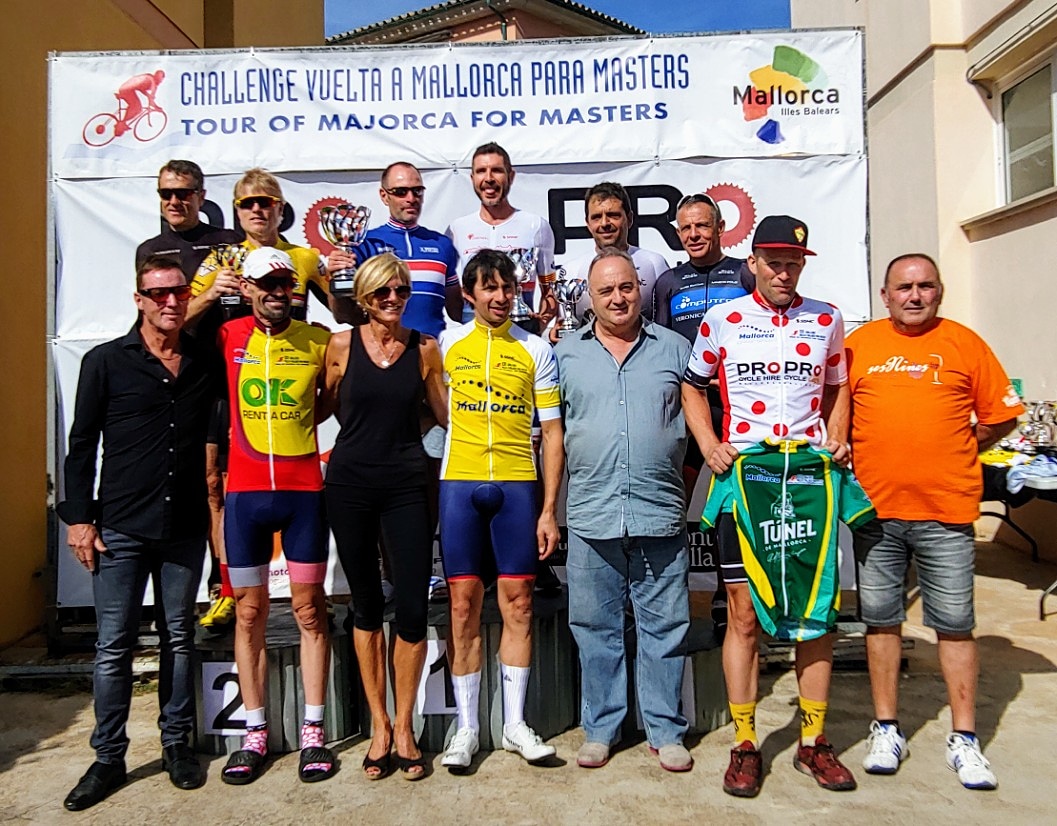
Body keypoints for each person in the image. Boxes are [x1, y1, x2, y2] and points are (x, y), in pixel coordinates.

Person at [682, 215, 856, 796]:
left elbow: (839, 386)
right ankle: (745, 744)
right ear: (753, 262)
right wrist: (709, 442)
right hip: (747, 482)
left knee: (815, 613)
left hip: (806, 483)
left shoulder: (827, 318)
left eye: (794, 263)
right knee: (743, 614)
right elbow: (692, 384)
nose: (784, 272)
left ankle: (813, 742)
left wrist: (837, 437)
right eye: (774, 262)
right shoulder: (723, 319)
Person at [846, 253, 1023, 791]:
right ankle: (886, 728)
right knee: (881, 622)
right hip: (875, 511)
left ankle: (964, 738)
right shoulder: (859, 346)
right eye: (904, 288)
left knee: (954, 624)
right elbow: (837, 416)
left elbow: (1001, 416)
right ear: (885, 295)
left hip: (947, 512)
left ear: (939, 291)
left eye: (925, 286)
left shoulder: (965, 344)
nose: (915, 296)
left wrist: (958, 445)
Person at [58, 255, 219, 810]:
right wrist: (79, 519)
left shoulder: (204, 360)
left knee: (179, 637)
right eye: (158, 293)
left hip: (183, 526)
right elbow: (81, 445)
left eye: (179, 292)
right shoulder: (105, 361)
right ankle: (108, 757)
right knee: (113, 646)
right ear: (139, 300)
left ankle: (176, 746)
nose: (170, 301)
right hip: (120, 527)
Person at [555, 248, 692, 772]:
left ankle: (665, 730)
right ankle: (601, 728)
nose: (618, 298)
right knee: (595, 629)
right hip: (592, 513)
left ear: (641, 289)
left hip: (659, 511)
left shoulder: (675, 349)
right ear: (590, 298)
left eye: (627, 287)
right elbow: (551, 434)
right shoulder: (565, 355)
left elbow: (698, 425)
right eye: (606, 290)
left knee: (666, 627)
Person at [437, 249, 564, 770]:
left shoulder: (536, 348)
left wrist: (549, 509)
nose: (500, 297)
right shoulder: (446, 343)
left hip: (516, 485)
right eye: (488, 287)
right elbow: (430, 403)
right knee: (462, 606)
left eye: (507, 287)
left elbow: (552, 433)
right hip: (460, 483)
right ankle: (466, 728)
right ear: (468, 294)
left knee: (519, 604)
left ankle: (514, 724)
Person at [322, 254, 448, 781]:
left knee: (413, 608)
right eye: (381, 293)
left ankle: (405, 727)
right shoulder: (339, 346)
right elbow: (323, 408)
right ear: (363, 299)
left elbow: (445, 415)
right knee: (367, 606)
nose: (393, 299)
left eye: (400, 291)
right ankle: (379, 725)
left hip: (407, 486)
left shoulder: (425, 348)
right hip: (349, 485)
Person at [217, 246, 335, 785]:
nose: (276, 293)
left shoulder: (318, 340)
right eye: (265, 284)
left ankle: (314, 731)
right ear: (247, 287)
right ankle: (255, 732)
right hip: (244, 495)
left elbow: (335, 397)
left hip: (302, 491)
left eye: (284, 283)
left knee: (310, 611)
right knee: (249, 614)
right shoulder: (228, 336)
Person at [136, 159, 240, 635]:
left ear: (201, 195)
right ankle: (216, 589)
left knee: (236, 486)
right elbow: (165, 319)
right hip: (186, 380)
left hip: (235, 374)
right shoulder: (151, 250)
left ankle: (239, 585)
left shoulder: (227, 242)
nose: (174, 201)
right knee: (207, 484)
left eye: (183, 193)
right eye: (166, 194)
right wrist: (209, 295)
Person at [654, 192, 755, 641]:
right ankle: (670, 595)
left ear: (720, 229)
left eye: (702, 225)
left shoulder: (744, 273)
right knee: (675, 507)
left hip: (734, 411)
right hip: (689, 412)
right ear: (678, 233)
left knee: (736, 509)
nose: (694, 234)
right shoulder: (668, 283)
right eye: (686, 228)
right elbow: (659, 345)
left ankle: (730, 598)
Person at [328, 162, 461, 337]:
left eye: (417, 191)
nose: (411, 198)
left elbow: (458, 312)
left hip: (432, 348)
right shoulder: (363, 244)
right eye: (400, 192)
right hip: (382, 349)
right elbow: (344, 316)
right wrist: (335, 279)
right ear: (384, 196)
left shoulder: (442, 244)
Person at [188, 167, 330, 330]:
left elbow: (347, 315)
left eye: (265, 203)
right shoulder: (222, 258)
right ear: (237, 211)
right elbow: (181, 320)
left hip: (291, 345)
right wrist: (211, 294)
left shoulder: (306, 258)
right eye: (247, 204)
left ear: (280, 209)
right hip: (238, 346)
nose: (256, 209)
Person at [446, 142, 558, 332]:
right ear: (472, 178)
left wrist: (539, 326)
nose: (488, 178)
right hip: (474, 333)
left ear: (510, 176)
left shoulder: (536, 226)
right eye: (481, 171)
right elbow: (451, 293)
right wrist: (466, 320)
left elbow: (551, 290)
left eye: (497, 170)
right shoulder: (456, 229)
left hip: (520, 332)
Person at [554, 182, 668, 330]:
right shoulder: (571, 270)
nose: (604, 223)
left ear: (630, 219)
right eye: (596, 217)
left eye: (613, 215)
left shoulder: (654, 263)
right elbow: (564, 325)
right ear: (588, 223)